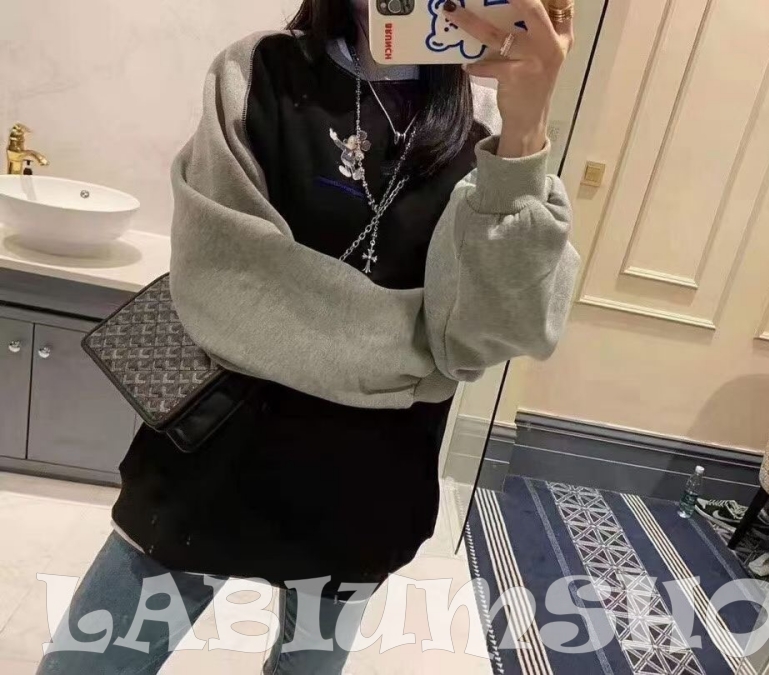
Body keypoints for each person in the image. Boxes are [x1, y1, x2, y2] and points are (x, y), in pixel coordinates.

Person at [37, 0, 578, 672]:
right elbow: (226, 284)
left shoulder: (489, 129)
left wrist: (527, 130)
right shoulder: (257, 72)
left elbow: (488, 335)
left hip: (369, 477)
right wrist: (416, 349)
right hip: (216, 452)